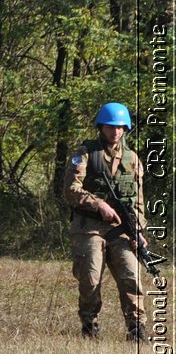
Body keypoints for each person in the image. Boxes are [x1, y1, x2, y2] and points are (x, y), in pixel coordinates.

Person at [63, 102, 148, 341]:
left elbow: (138, 200)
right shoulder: (85, 153)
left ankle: (137, 328)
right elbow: (71, 189)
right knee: (90, 278)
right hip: (89, 227)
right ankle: (90, 325)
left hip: (120, 229)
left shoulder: (132, 159)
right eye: (111, 127)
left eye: (121, 127)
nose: (116, 131)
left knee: (132, 276)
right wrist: (97, 204)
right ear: (101, 127)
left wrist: (138, 230)